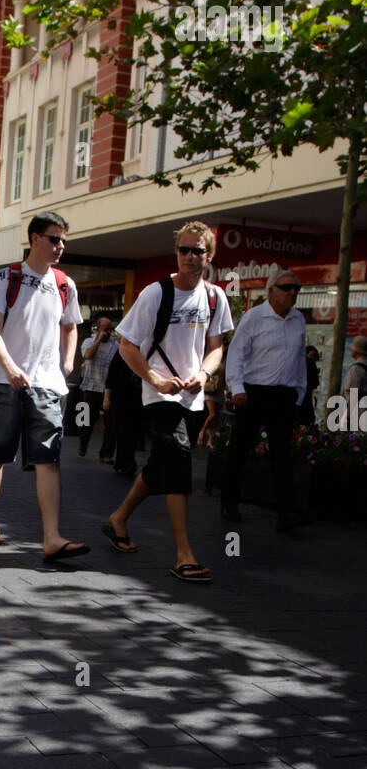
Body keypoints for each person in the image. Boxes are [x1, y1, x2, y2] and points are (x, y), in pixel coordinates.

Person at [104, 220, 231, 580]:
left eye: (198, 251)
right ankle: (184, 554)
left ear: (209, 255)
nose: (190, 257)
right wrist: (156, 378)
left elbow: (216, 347)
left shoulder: (214, 297)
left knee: (162, 463)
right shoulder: (155, 293)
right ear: (176, 252)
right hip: (158, 395)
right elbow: (126, 345)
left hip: (192, 395)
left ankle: (118, 519)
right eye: (184, 250)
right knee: (178, 463)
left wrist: (204, 375)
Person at [0, 210, 87, 560]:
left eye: (64, 240)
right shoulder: (5, 277)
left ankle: (51, 537)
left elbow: (70, 327)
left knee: (48, 459)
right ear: (35, 238)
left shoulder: (65, 284)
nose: (60, 246)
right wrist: (9, 366)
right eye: (54, 238)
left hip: (47, 385)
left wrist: (68, 362)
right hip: (2, 381)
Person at [221, 271, 307, 532]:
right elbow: (236, 354)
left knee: (282, 455)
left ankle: (286, 513)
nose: (292, 292)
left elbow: (300, 358)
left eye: (296, 288)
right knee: (239, 450)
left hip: (283, 395)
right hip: (253, 392)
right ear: (271, 291)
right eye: (287, 288)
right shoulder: (254, 317)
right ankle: (229, 503)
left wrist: (299, 392)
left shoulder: (298, 319)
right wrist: (237, 387)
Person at [76, 316, 118, 459]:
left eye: (110, 329)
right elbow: (87, 355)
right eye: (105, 329)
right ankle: (82, 444)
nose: (108, 332)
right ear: (98, 329)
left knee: (111, 424)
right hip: (89, 386)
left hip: (108, 389)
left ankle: (106, 454)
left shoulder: (116, 346)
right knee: (84, 421)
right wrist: (99, 340)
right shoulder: (88, 341)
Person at [103, 349, 144, 478]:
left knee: (131, 431)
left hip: (138, 397)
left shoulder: (146, 350)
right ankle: (117, 459)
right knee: (119, 429)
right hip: (120, 397)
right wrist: (107, 397)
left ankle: (125, 461)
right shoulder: (122, 351)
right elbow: (111, 375)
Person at [342, 335, 367, 431]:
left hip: (357, 415)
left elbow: (353, 394)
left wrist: (347, 418)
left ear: (356, 351)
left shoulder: (356, 368)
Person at [297, 344, 321, 425]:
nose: (313, 358)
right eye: (311, 355)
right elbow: (315, 383)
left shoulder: (299, 363)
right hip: (305, 405)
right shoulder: (310, 364)